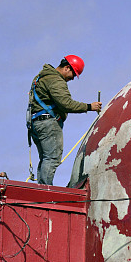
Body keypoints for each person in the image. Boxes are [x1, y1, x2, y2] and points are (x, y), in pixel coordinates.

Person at [27, 55, 102, 185]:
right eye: (73, 74)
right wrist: (89, 107)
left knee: (45, 159)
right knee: (52, 158)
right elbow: (66, 104)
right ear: (67, 68)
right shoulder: (56, 80)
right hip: (48, 123)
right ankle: (46, 190)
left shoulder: (41, 77)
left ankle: (41, 188)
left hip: (36, 123)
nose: (72, 79)